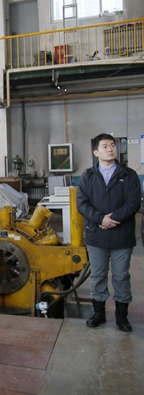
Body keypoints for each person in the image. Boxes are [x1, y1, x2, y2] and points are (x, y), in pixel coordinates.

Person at [77, 133, 141, 332]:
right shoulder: (88, 176)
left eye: (112, 145)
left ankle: (122, 317)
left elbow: (133, 203)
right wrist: (100, 219)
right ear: (96, 152)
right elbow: (82, 203)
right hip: (96, 235)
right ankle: (99, 314)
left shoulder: (128, 175)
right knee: (98, 275)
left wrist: (111, 219)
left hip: (122, 235)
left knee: (121, 276)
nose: (110, 149)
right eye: (104, 146)